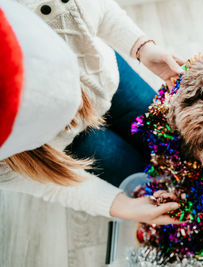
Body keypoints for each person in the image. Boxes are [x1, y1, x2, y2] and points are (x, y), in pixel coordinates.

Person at [0, 0, 182, 225]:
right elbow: (49, 183)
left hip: (110, 77)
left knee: (175, 142)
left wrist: (142, 46)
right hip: (70, 145)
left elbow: (98, 8)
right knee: (139, 175)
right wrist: (120, 205)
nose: (78, 106)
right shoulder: (11, 159)